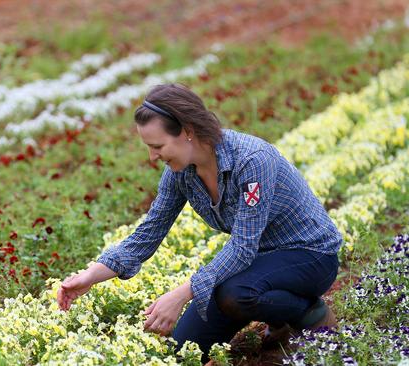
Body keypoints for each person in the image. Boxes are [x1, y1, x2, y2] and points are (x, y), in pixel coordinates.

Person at [56, 83, 341, 363]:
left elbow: (242, 247)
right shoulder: (180, 172)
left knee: (235, 293)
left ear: (188, 131)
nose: (152, 156)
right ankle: (277, 316)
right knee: (184, 350)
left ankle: (309, 313)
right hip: (256, 261)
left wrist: (180, 295)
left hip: (310, 255)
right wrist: (90, 275)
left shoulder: (252, 161)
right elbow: (148, 233)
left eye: (157, 146)